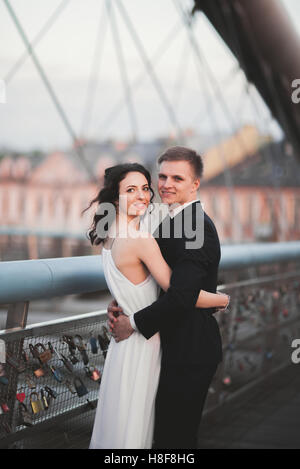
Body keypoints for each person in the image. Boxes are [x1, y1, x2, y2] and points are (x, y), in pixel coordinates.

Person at [86, 161, 228, 449]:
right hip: (142, 344)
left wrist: (120, 304)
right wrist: (223, 298)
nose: (143, 195)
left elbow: (129, 283)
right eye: (131, 190)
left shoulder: (109, 236)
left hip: (123, 346)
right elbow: (181, 294)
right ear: (116, 198)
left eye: (144, 188)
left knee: (120, 424)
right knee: (140, 431)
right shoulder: (140, 239)